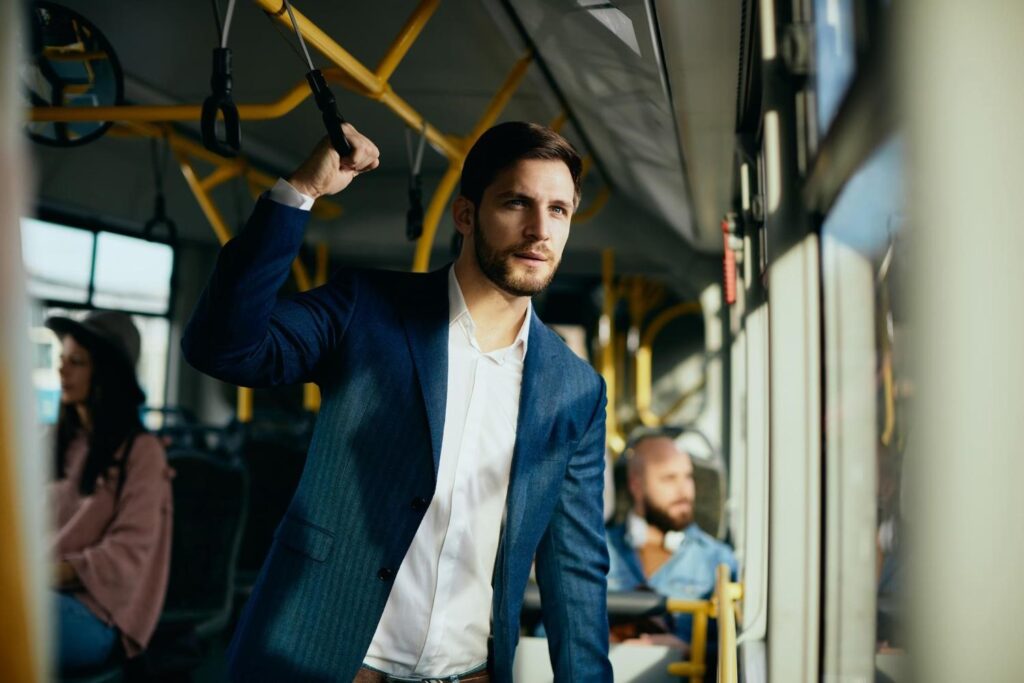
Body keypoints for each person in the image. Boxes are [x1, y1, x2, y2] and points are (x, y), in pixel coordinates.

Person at [182, 121, 611, 682]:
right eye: (516, 202)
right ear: (465, 214)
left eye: (558, 210)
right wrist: (300, 193)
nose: (539, 230)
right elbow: (222, 348)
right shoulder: (367, 310)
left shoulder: (575, 390)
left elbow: (575, 571)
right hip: (329, 664)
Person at [46, 311, 173, 671]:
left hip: (95, 612)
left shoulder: (142, 452)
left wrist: (42, 572)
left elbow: (126, 555)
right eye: (61, 360)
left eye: (77, 362)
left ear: (105, 373)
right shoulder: (57, 442)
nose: (62, 371)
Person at [606, 432, 737, 653]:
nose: (685, 491)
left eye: (688, 477)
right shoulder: (594, 550)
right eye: (669, 478)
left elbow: (739, 649)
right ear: (636, 486)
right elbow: (545, 633)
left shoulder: (720, 561)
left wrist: (689, 651)